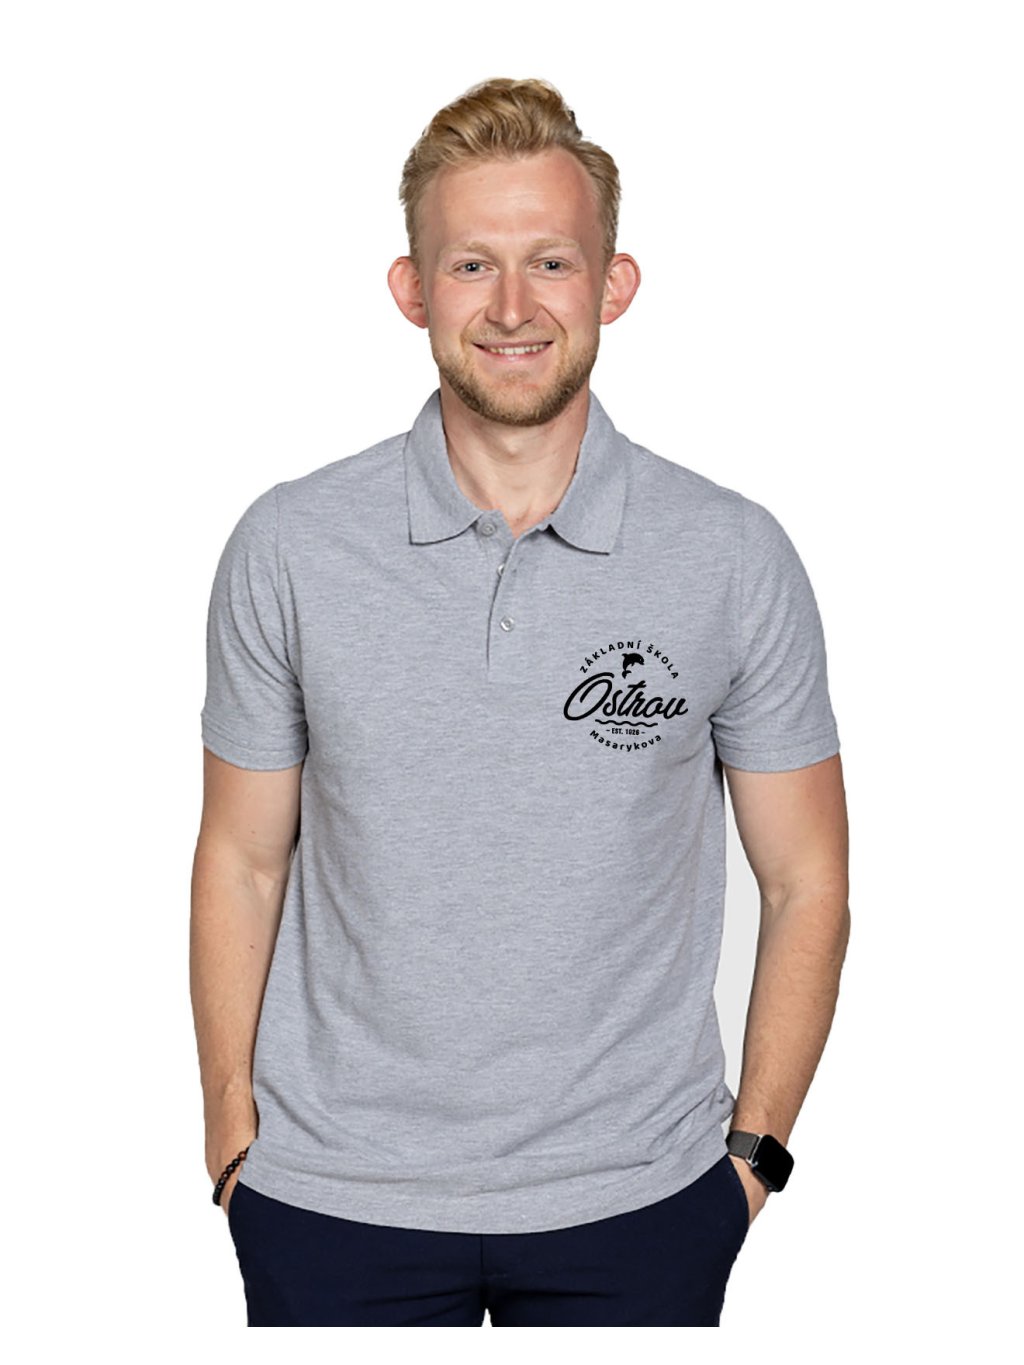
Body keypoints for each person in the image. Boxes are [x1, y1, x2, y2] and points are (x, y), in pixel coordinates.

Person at [191, 76, 850, 1328]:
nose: (510, 307)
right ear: (411, 290)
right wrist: (233, 1133)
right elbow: (241, 857)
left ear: (613, 284)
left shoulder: (729, 555)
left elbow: (807, 877)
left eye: (550, 261)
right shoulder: (290, 546)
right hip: (332, 1200)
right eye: (470, 265)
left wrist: (752, 1157)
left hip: (641, 1201)